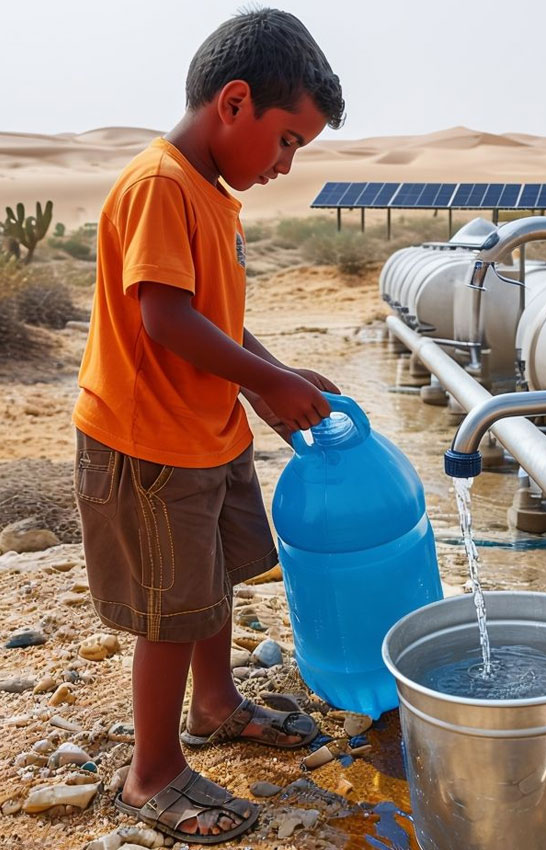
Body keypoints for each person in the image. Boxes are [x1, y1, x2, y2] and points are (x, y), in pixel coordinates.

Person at [72, 8, 344, 844]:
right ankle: (150, 775)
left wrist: (273, 381)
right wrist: (263, 380)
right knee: (168, 610)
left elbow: (215, 319)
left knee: (211, 579)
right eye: (289, 140)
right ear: (235, 104)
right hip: (146, 442)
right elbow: (165, 320)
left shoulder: (211, 195)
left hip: (205, 431)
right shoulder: (160, 184)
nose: (286, 163)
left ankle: (217, 704)